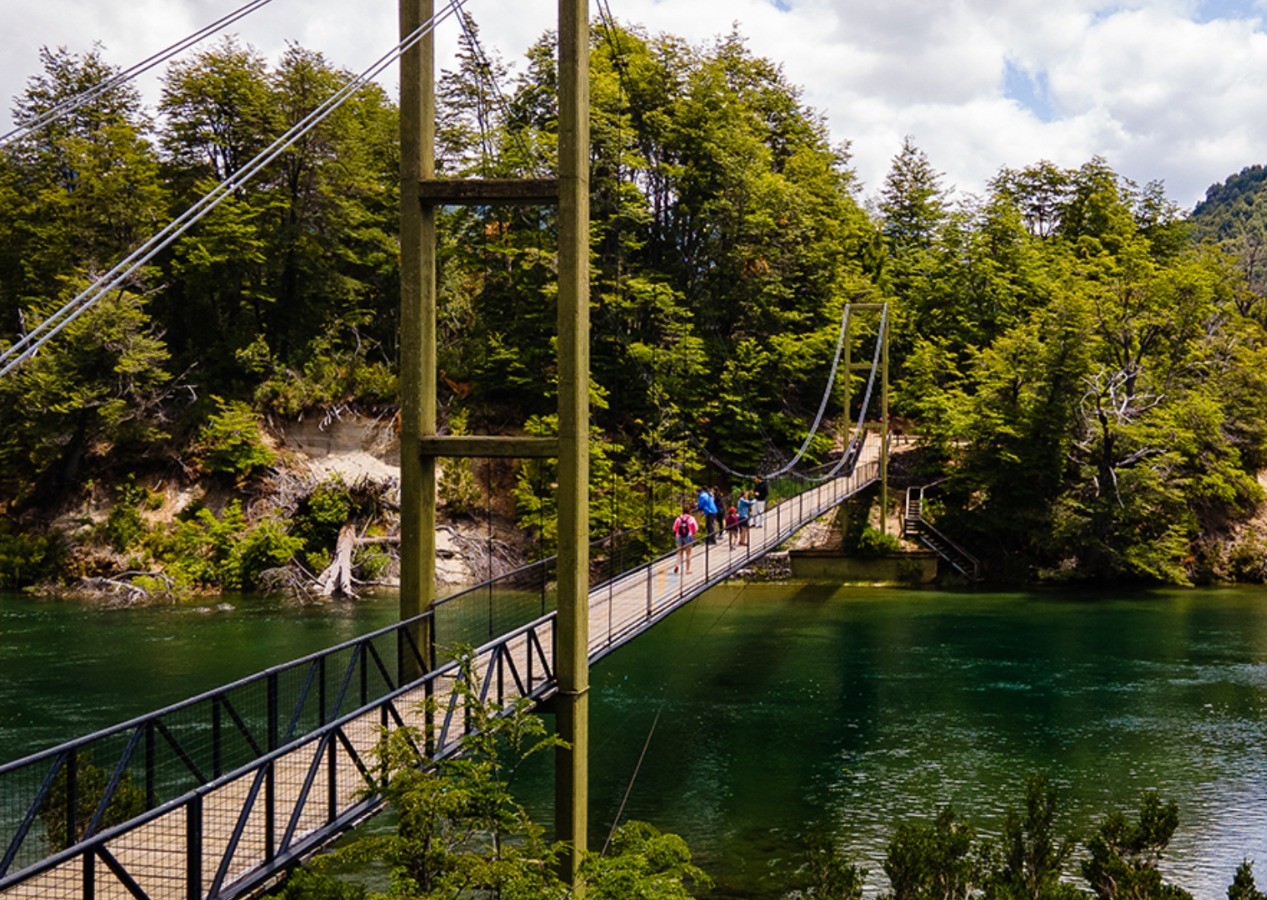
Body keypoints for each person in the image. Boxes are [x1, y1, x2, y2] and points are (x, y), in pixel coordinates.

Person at [672, 504, 698, 573]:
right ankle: (687, 570)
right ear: (689, 510)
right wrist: (693, 534)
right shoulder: (691, 518)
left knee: (679, 552)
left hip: (679, 536)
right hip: (688, 536)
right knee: (688, 553)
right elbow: (696, 529)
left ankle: (677, 564)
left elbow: (674, 528)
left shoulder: (678, 518)